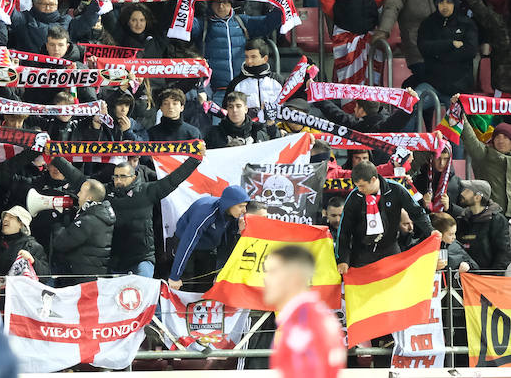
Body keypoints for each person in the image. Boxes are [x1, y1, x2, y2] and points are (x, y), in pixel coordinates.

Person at [335, 161, 435, 273]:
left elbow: (417, 212)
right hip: (362, 253)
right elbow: (344, 230)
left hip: (389, 249)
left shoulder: (395, 189)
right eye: (357, 186)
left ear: (373, 179)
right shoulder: (355, 196)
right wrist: (343, 259)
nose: (359, 189)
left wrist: (430, 230)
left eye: (362, 186)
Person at [263, 244, 346, 378]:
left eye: (272, 272)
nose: (265, 279)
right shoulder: (312, 315)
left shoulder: (303, 323)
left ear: (294, 277)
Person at [168, 185, 248, 290]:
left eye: (245, 206)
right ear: (229, 204)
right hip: (185, 245)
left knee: (205, 287)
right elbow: (188, 242)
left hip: (207, 248)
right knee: (186, 285)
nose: (244, 210)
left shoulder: (233, 216)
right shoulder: (206, 212)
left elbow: (225, 246)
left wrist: (220, 273)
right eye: (241, 206)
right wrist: (174, 276)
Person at [456, 179, 511, 271]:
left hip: (488, 280)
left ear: (478, 197)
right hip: (465, 278)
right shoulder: (462, 219)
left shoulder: (497, 220)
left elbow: (503, 254)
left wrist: (492, 278)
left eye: (467, 191)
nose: (463, 193)